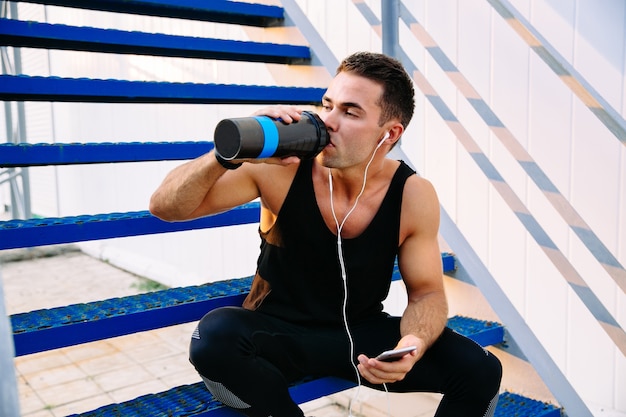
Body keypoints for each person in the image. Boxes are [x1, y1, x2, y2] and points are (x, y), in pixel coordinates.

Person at [150, 51, 502, 417]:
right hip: (275, 333)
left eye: (350, 112)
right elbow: (164, 206)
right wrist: (227, 155)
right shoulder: (280, 168)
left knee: (481, 370)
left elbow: (427, 293)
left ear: (390, 134)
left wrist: (413, 343)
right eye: (327, 104)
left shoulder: (413, 194)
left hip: (359, 336)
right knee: (213, 339)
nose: (328, 121)